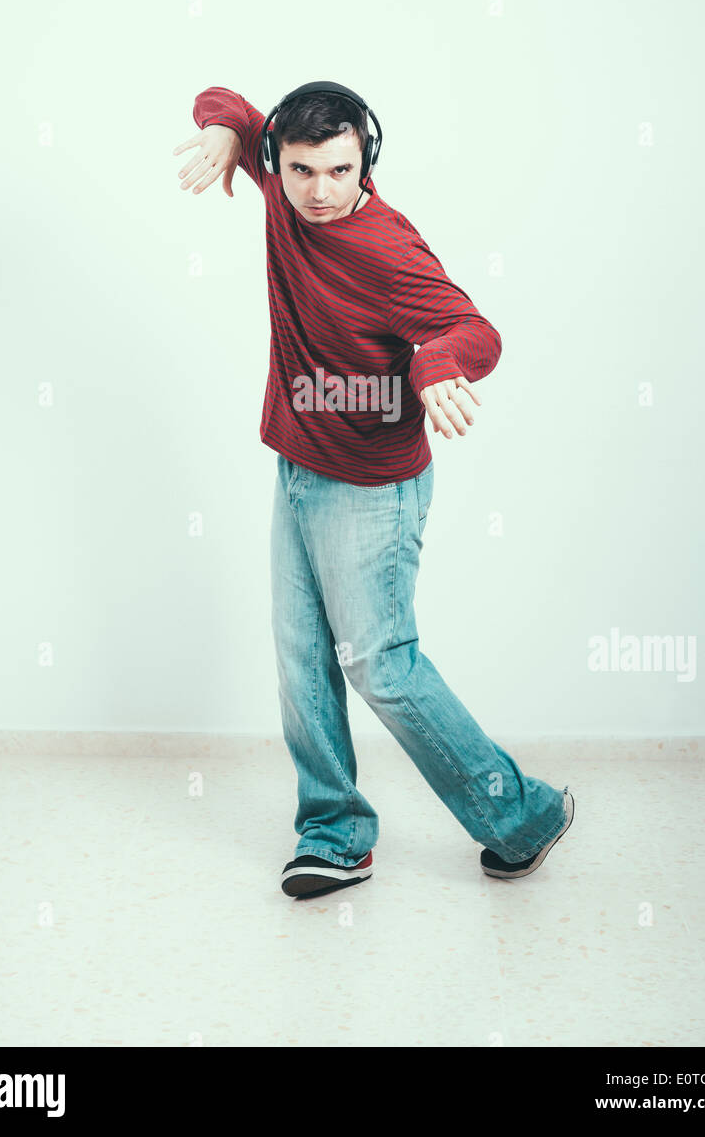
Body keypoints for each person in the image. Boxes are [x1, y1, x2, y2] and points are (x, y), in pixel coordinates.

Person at [174, 82, 574, 900]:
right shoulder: (279, 178)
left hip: (371, 488)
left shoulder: (386, 247)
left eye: (341, 169)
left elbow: (475, 329)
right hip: (297, 464)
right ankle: (334, 835)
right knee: (300, 663)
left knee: (382, 666)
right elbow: (227, 100)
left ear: (368, 158)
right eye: (301, 170)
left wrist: (432, 365)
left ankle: (524, 817)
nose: (321, 191)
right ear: (277, 158)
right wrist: (219, 132)